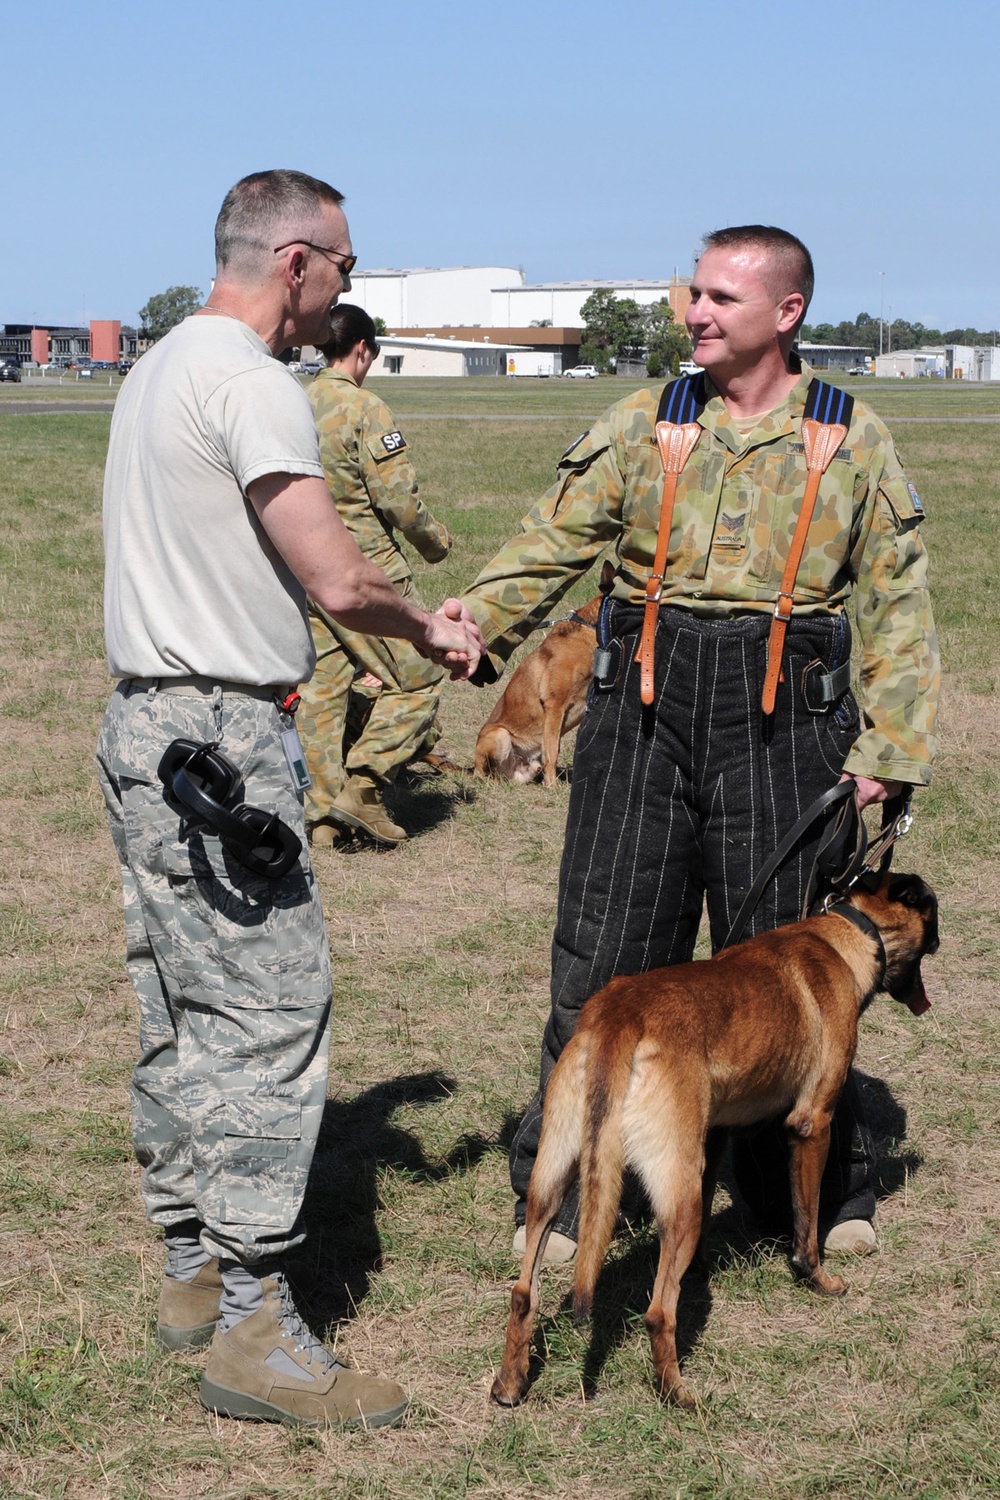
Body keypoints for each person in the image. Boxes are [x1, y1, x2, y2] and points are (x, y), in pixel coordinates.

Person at [461, 225, 939, 1264]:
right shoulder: (647, 420)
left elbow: (896, 599)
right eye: (695, 295)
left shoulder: (847, 437)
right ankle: (580, 1194)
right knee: (605, 952)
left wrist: (887, 745)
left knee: (782, 967)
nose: (696, 313)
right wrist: (471, 627)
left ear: (787, 313)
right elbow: (552, 538)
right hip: (640, 708)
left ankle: (802, 1194)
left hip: (783, 719)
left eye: (723, 297)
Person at [96, 169, 483, 1428]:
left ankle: (190, 1269)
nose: (346, 296)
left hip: (143, 725)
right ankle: (256, 1328)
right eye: (348, 271)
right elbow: (332, 571)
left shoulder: (159, 363)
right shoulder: (255, 380)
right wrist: (430, 628)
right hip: (219, 732)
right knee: (270, 1015)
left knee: (178, 998)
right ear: (299, 262)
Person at [297, 303, 453, 848]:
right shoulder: (363, 406)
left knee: (322, 688)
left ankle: (317, 817)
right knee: (423, 676)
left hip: (302, 568)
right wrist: (436, 544)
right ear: (362, 348)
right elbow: (398, 501)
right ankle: (362, 789)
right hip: (366, 572)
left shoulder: (294, 401)